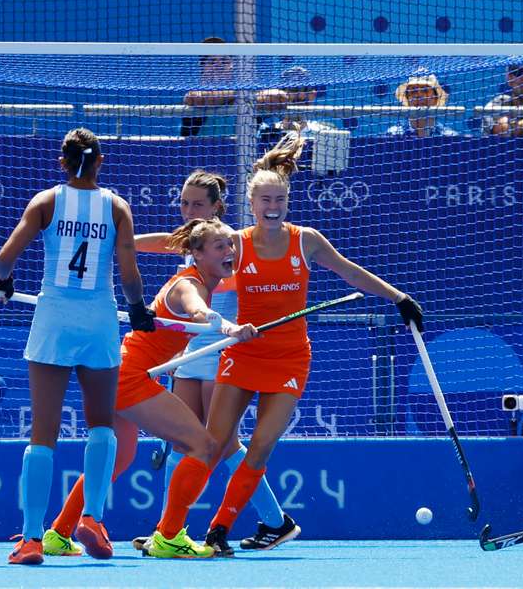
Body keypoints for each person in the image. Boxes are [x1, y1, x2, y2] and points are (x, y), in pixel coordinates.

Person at [142, 129, 424, 557]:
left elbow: (349, 271)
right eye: (265, 201)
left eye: (280, 201)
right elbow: (178, 243)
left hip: (290, 358)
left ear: (287, 203)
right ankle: (169, 532)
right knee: (212, 444)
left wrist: (398, 297)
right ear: (251, 204)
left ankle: (219, 531)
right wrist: (123, 243)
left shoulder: (305, 240)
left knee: (259, 447)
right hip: (242, 352)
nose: (272, 208)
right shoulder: (235, 243)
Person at [41, 217, 259, 559]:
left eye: (230, 245)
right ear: (197, 255)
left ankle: (58, 533)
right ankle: (169, 536)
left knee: (120, 458)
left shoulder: (203, 281)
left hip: (117, 370)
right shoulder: (191, 285)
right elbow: (198, 311)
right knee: (202, 445)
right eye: (220, 246)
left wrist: (225, 326)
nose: (229, 251)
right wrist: (228, 328)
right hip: (128, 375)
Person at [0, 127, 156, 565]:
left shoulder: (46, 202)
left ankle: (30, 539)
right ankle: (93, 519)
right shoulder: (117, 207)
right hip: (99, 319)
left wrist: (3, 284)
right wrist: (138, 311)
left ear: (62, 162)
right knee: (101, 424)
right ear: (101, 162)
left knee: (42, 433)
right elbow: (129, 274)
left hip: (54, 319)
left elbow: (5, 258)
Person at [126, 170, 296, 553]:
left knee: (222, 443)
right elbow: (147, 244)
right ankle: (168, 531)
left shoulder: (226, 245)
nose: (188, 211)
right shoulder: (194, 243)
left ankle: (274, 520)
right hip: (191, 354)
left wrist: (223, 323)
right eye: (184, 203)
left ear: (217, 207)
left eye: (197, 204)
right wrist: (119, 244)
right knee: (183, 442)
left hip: (221, 351)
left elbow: (233, 288)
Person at [181, 37, 289, 138]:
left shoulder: (247, 93)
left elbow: (280, 97)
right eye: (212, 61)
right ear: (202, 68)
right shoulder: (195, 95)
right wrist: (243, 95)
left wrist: (242, 95)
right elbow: (195, 98)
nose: (218, 65)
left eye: (224, 61)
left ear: (232, 67)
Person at [386, 71, 458, 138]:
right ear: (407, 99)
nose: (419, 96)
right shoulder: (393, 135)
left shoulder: (450, 137)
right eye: (413, 91)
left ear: (436, 98)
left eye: (425, 90)